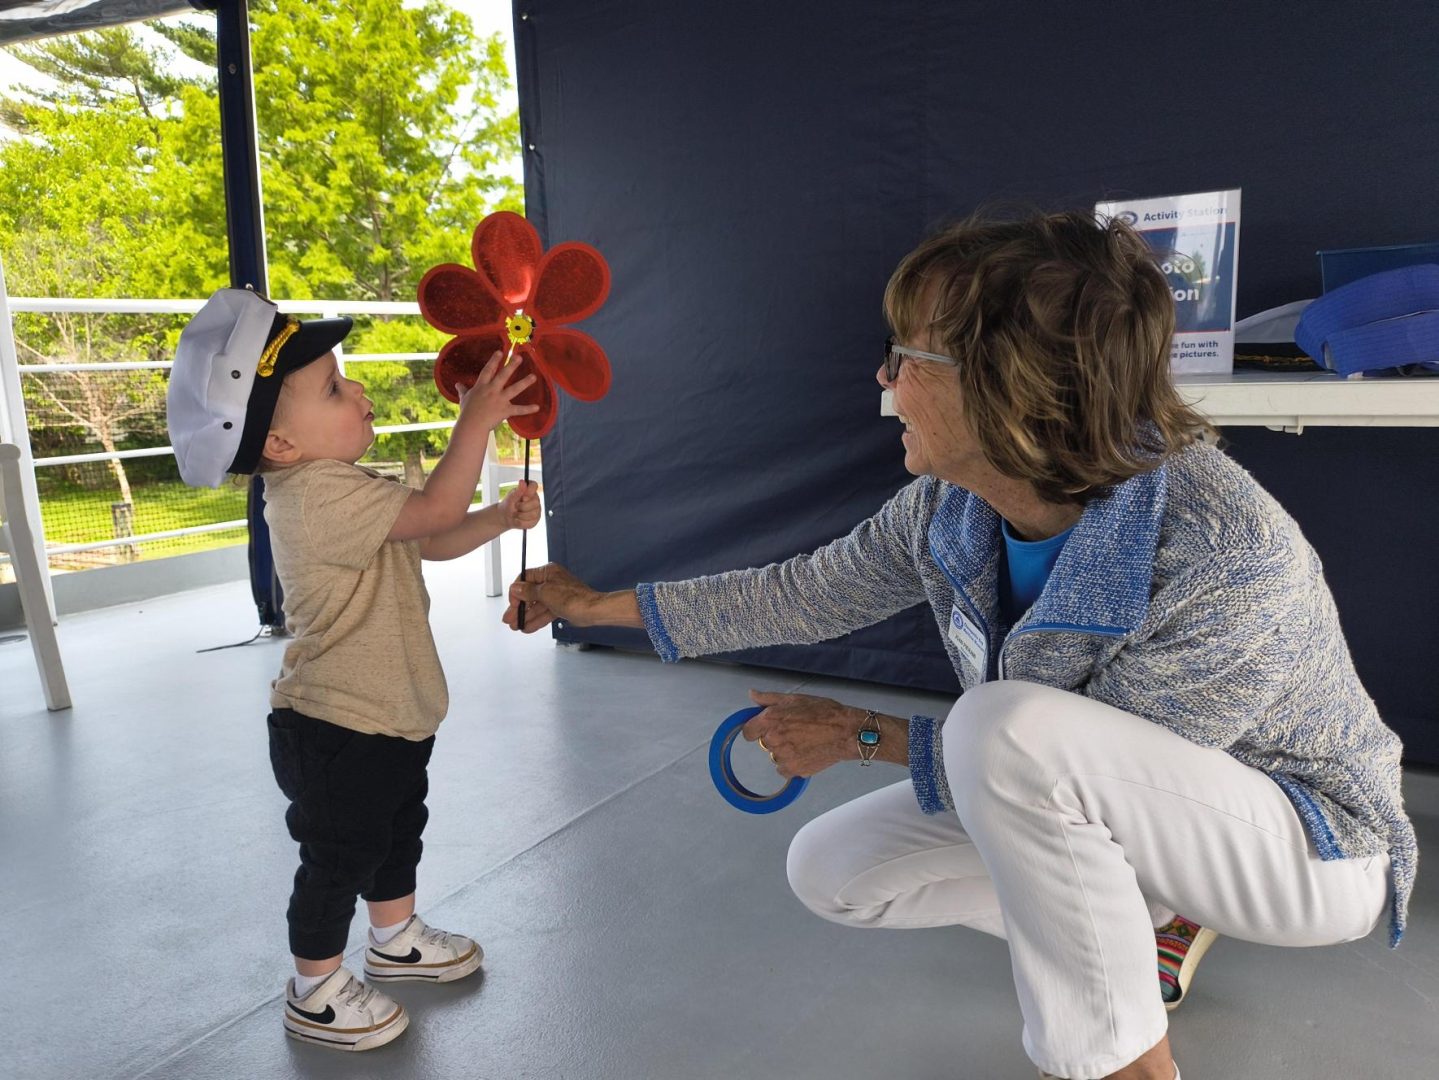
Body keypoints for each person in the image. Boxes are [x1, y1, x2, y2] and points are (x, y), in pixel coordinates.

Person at [503, 212, 1416, 1080]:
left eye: (905, 357)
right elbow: (805, 591)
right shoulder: (952, 506)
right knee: (835, 869)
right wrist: (595, 606)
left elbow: (1094, 755)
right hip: (1128, 814)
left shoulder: (1226, 553)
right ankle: (1145, 930)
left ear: (1009, 385)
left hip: (1307, 847)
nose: (882, 378)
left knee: (1004, 726)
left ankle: (1131, 1066)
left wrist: (863, 734)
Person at [167, 289, 540, 1051]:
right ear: (280, 444)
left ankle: (394, 938)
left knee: (395, 832)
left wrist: (496, 518)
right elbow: (434, 511)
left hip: (385, 713)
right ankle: (314, 989)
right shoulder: (311, 498)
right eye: (335, 389)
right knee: (337, 860)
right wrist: (474, 423)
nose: (359, 388)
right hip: (336, 724)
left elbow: (428, 537)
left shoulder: (343, 483)